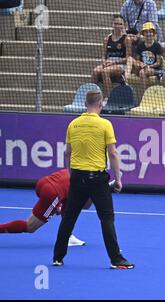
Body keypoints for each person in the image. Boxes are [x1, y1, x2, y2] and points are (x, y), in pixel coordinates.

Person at [52, 89, 134, 269]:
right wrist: (118, 179)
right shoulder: (105, 124)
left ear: (85, 104)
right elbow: (112, 153)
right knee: (106, 218)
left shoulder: (73, 124)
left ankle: (57, 257)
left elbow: (67, 152)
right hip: (97, 179)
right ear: (100, 104)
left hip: (77, 177)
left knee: (69, 217)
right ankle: (116, 259)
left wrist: (71, 174)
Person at [0, 169, 87, 247]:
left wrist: (57, 206)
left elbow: (67, 203)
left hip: (43, 183)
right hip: (52, 193)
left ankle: (68, 236)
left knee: (66, 206)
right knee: (30, 226)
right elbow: (84, 206)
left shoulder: (77, 168)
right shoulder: (88, 182)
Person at [92, 14, 132, 103]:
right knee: (95, 72)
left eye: (120, 24)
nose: (118, 26)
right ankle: (95, 98)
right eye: (116, 23)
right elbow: (103, 55)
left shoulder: (127, 39)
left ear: (124, 26)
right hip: (108, 63)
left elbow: (128, 58)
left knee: (105, 72)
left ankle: (109, 98)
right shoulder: (107, 39)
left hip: (120, 65)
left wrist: (113, 63)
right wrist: (103, 62)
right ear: (112, 25)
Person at [128, 21, 164, 91]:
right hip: (142, 67)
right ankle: (126, 80)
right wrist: (141, 64)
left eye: (150, 32)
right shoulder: (140, 45)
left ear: (153, 34)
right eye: (146, 32)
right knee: (131, 60)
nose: (148, 34)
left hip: (155, 69)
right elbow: (138, 60)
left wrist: (148, 66)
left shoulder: (157, 46)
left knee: (142, 72)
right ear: (143, 34)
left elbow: (158, 63)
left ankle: (144, 95)